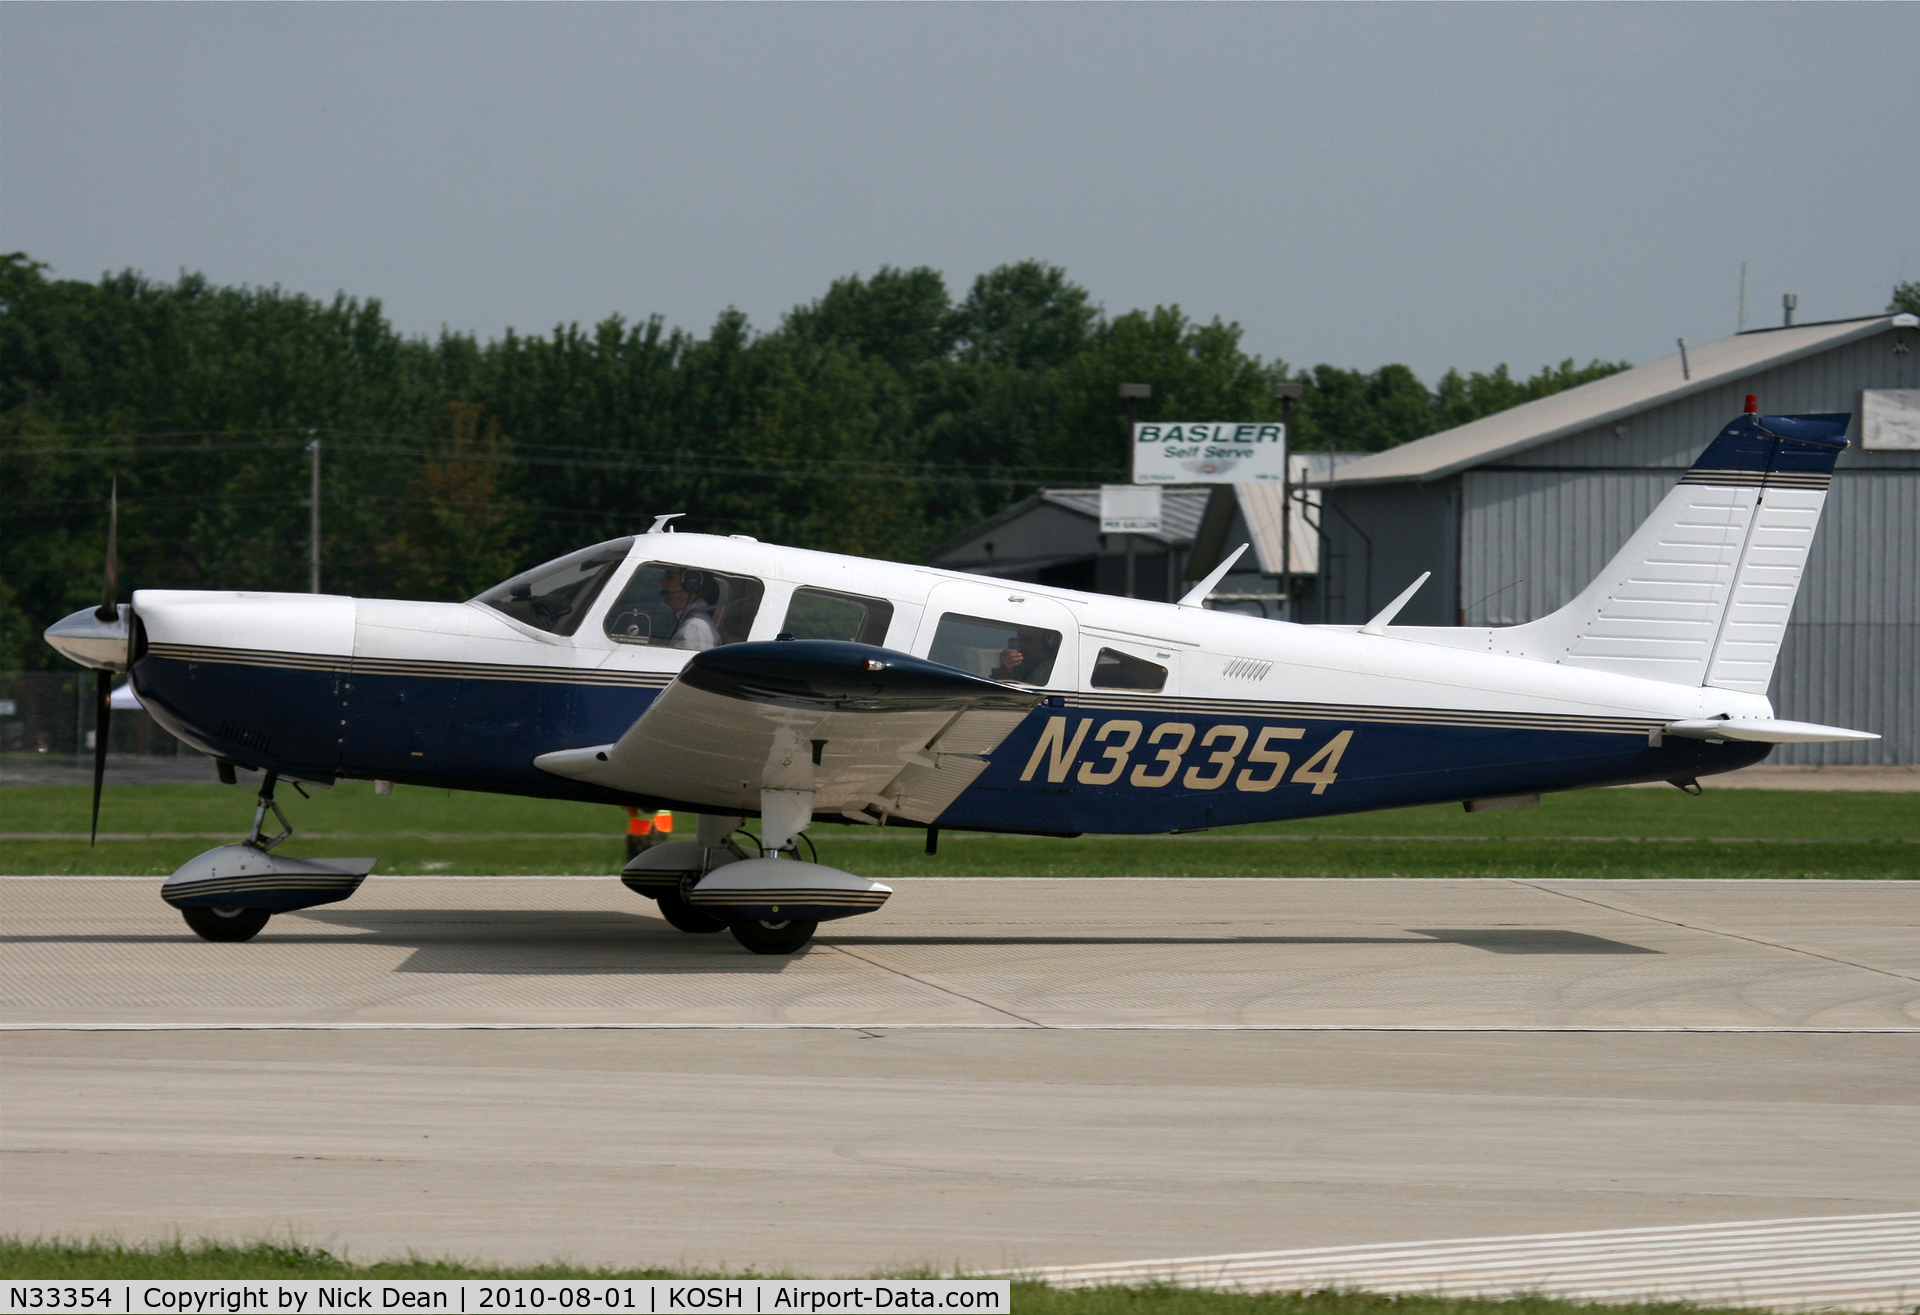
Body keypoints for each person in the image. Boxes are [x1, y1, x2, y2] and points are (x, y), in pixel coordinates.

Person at [659, 566, 722, 651]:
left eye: (669, 576)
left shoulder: (694, 628)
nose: (661, 582)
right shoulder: (684, 620)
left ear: (691, 583)